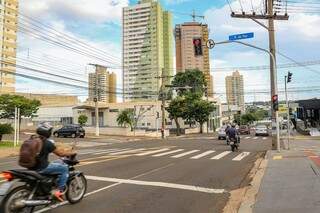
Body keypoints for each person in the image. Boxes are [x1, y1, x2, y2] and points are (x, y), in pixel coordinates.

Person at [32, 123, 76, 202]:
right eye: (50, 131)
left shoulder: (32, 139)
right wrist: (71, 153)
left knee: (55, 163)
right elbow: (60, 154)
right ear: (47, 132)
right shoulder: (47, 143)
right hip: (42, 167)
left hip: (31, 167)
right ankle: (59, 191)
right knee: (64, 168)